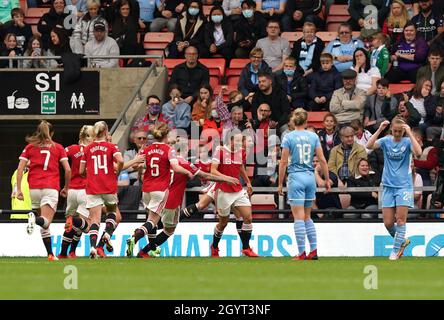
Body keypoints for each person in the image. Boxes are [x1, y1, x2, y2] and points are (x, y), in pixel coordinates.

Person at [136, 152, 239, 258]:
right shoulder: (185, 164)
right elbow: (206, 176)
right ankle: (144, 251)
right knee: (169, 230)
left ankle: (139, 235)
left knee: (153, 222)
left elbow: (143, 173)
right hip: (172, 201)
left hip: (156, 196)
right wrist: (226, 179)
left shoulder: (161, 160)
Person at [125, 123, 195, 257]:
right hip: (160, 189)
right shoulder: (169, 149)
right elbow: (175, 167)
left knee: (151, 219)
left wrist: (140, 167)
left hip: (146, 189)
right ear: (166, 135)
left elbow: (137, 166)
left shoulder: (147, 148)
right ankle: (135, 237)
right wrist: (187, 172)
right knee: (152, 221)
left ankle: (151, 248)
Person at [278, 108, 331, 260]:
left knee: (298, 217)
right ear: (307, 121)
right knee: (308, 216)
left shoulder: (288, 137)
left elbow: (283, 162)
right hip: (310, 177)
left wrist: (280, 183)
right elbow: (322, 159)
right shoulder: (313, 136)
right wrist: (326, 179)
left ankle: (301, 252)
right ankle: (313, 250)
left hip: (296, 177)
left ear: (293, 121)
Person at [366, 118, 422, 260]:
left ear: (403, 130)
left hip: (403, 185)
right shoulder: (386, 141)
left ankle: (395, 252)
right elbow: (369, 145)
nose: (397, 133)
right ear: (391, 129)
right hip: (387, 185)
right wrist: (379, 129)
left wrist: (409, 132)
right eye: (395, 131)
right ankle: (402, 241)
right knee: (388, 223)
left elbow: (419, 153)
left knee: (401, 220)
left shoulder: (408, 142)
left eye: (400, 131)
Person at [17, 120, 71, 261]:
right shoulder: (58, 147)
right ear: (51, 133)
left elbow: (20, 168)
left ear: (38, 132)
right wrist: (66, 187)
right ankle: (33, 219)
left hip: (33, 188)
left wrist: (18, 190)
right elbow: (68, 169)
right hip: (50, 187)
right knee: (45, 222)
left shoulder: (30, 147)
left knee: (44, 225)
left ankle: (50, 254)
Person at [209, 130, 258, 257]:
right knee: (223, 223)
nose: (239, 143)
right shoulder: (220, 151)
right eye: (236, 140)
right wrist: (227, 178)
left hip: (237, 190)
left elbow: (240, 166)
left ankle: (246, 248)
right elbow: (213, 171)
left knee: (248, 217)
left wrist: (248, 182)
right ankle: (214, 247)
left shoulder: (240, 151)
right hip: (223, 191)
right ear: (229, 140)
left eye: (240, 140)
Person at [78, 121, 123, 258]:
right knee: (111, 212)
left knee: (94, 220)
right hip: (108, 186)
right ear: (106, 132)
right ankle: (108, 234)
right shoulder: (111, 146)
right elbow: (120, 161)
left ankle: (92, 247)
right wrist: (117, 173)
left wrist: (88, 174)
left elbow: (81, 171)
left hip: (93, 187)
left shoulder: (87, 148)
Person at [57, 125, 94, 259]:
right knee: (87, 227)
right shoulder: (93, 150)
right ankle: (71, 250)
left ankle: (65, 253)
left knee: (71, 226)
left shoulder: (72, 149)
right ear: (88, 137)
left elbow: (60, 157)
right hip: (85, 191)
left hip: (72, 191)